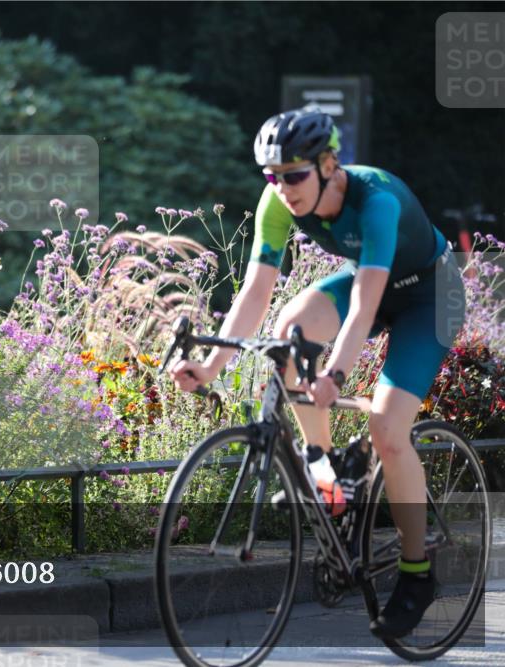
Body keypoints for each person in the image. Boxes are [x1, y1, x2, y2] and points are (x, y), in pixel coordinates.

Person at [168, 106, 465, 639]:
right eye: (273, 177)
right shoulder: (278, 201)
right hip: (369, 284)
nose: (284, 189)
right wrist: (211, 366)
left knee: (388, 431)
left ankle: (417, 576)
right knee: (288, 329)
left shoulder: (376, 200)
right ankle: (329, 474)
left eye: (295, 175)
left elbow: (364, 304)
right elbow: (256, 291)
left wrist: (336, 375)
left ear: (329, 164)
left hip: (429, 295)